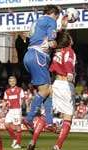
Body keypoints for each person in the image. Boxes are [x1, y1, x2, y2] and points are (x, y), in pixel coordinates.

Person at [23, 5, 61, 133]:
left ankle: (49, 123)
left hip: (29, 55)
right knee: (45, 90)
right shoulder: (51, 21)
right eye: (57, 16)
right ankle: (28, 119)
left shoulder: (37, 21)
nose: (57, 19)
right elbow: (51, 40)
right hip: (38, 56)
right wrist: (55, 44)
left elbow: (33, 37)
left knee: (48, 90)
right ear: (54, 14)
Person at [50, 30, 76, 150]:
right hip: (66, 84)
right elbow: (68, 63)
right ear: (68, 40)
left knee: (52, 112)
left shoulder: (57, 52)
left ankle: (42, 125)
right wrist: (70, 74)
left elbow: (52, 68)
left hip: (55, 83)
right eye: (70, 37)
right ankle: (58, 145)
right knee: (68, 116)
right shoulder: (69, 51)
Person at [4, 76, 24, 149]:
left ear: (16, 82)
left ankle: (18, 144)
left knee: (18, 127)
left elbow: (22, 100)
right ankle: (15, 139)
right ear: (9, 82)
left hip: (17, 110)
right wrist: (5, 108)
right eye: (10, 81)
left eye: (13, 81)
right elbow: (6, 101)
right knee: (6, 125)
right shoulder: (7, 91)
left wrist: (19, 109)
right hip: (10, 110)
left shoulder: (20, 90)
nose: (12, 82)